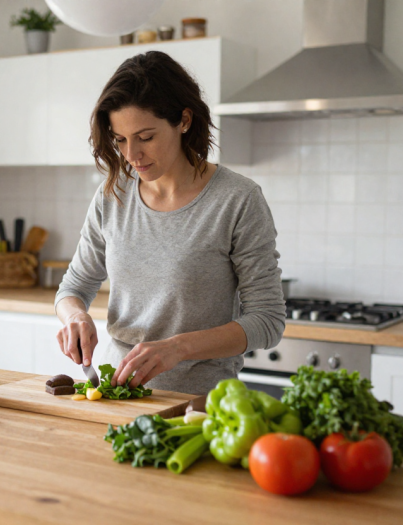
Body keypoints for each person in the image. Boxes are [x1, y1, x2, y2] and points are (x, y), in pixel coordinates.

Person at [54, 51, 285, 395]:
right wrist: (75, 317)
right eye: (120, 139)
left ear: (184, 120)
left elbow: (267, 320)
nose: (132, 155)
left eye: (145, 137)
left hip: (199, 407)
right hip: (116, 396)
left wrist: (178, 347)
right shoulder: (112, 195)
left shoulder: (237, 200)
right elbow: (73, 288)